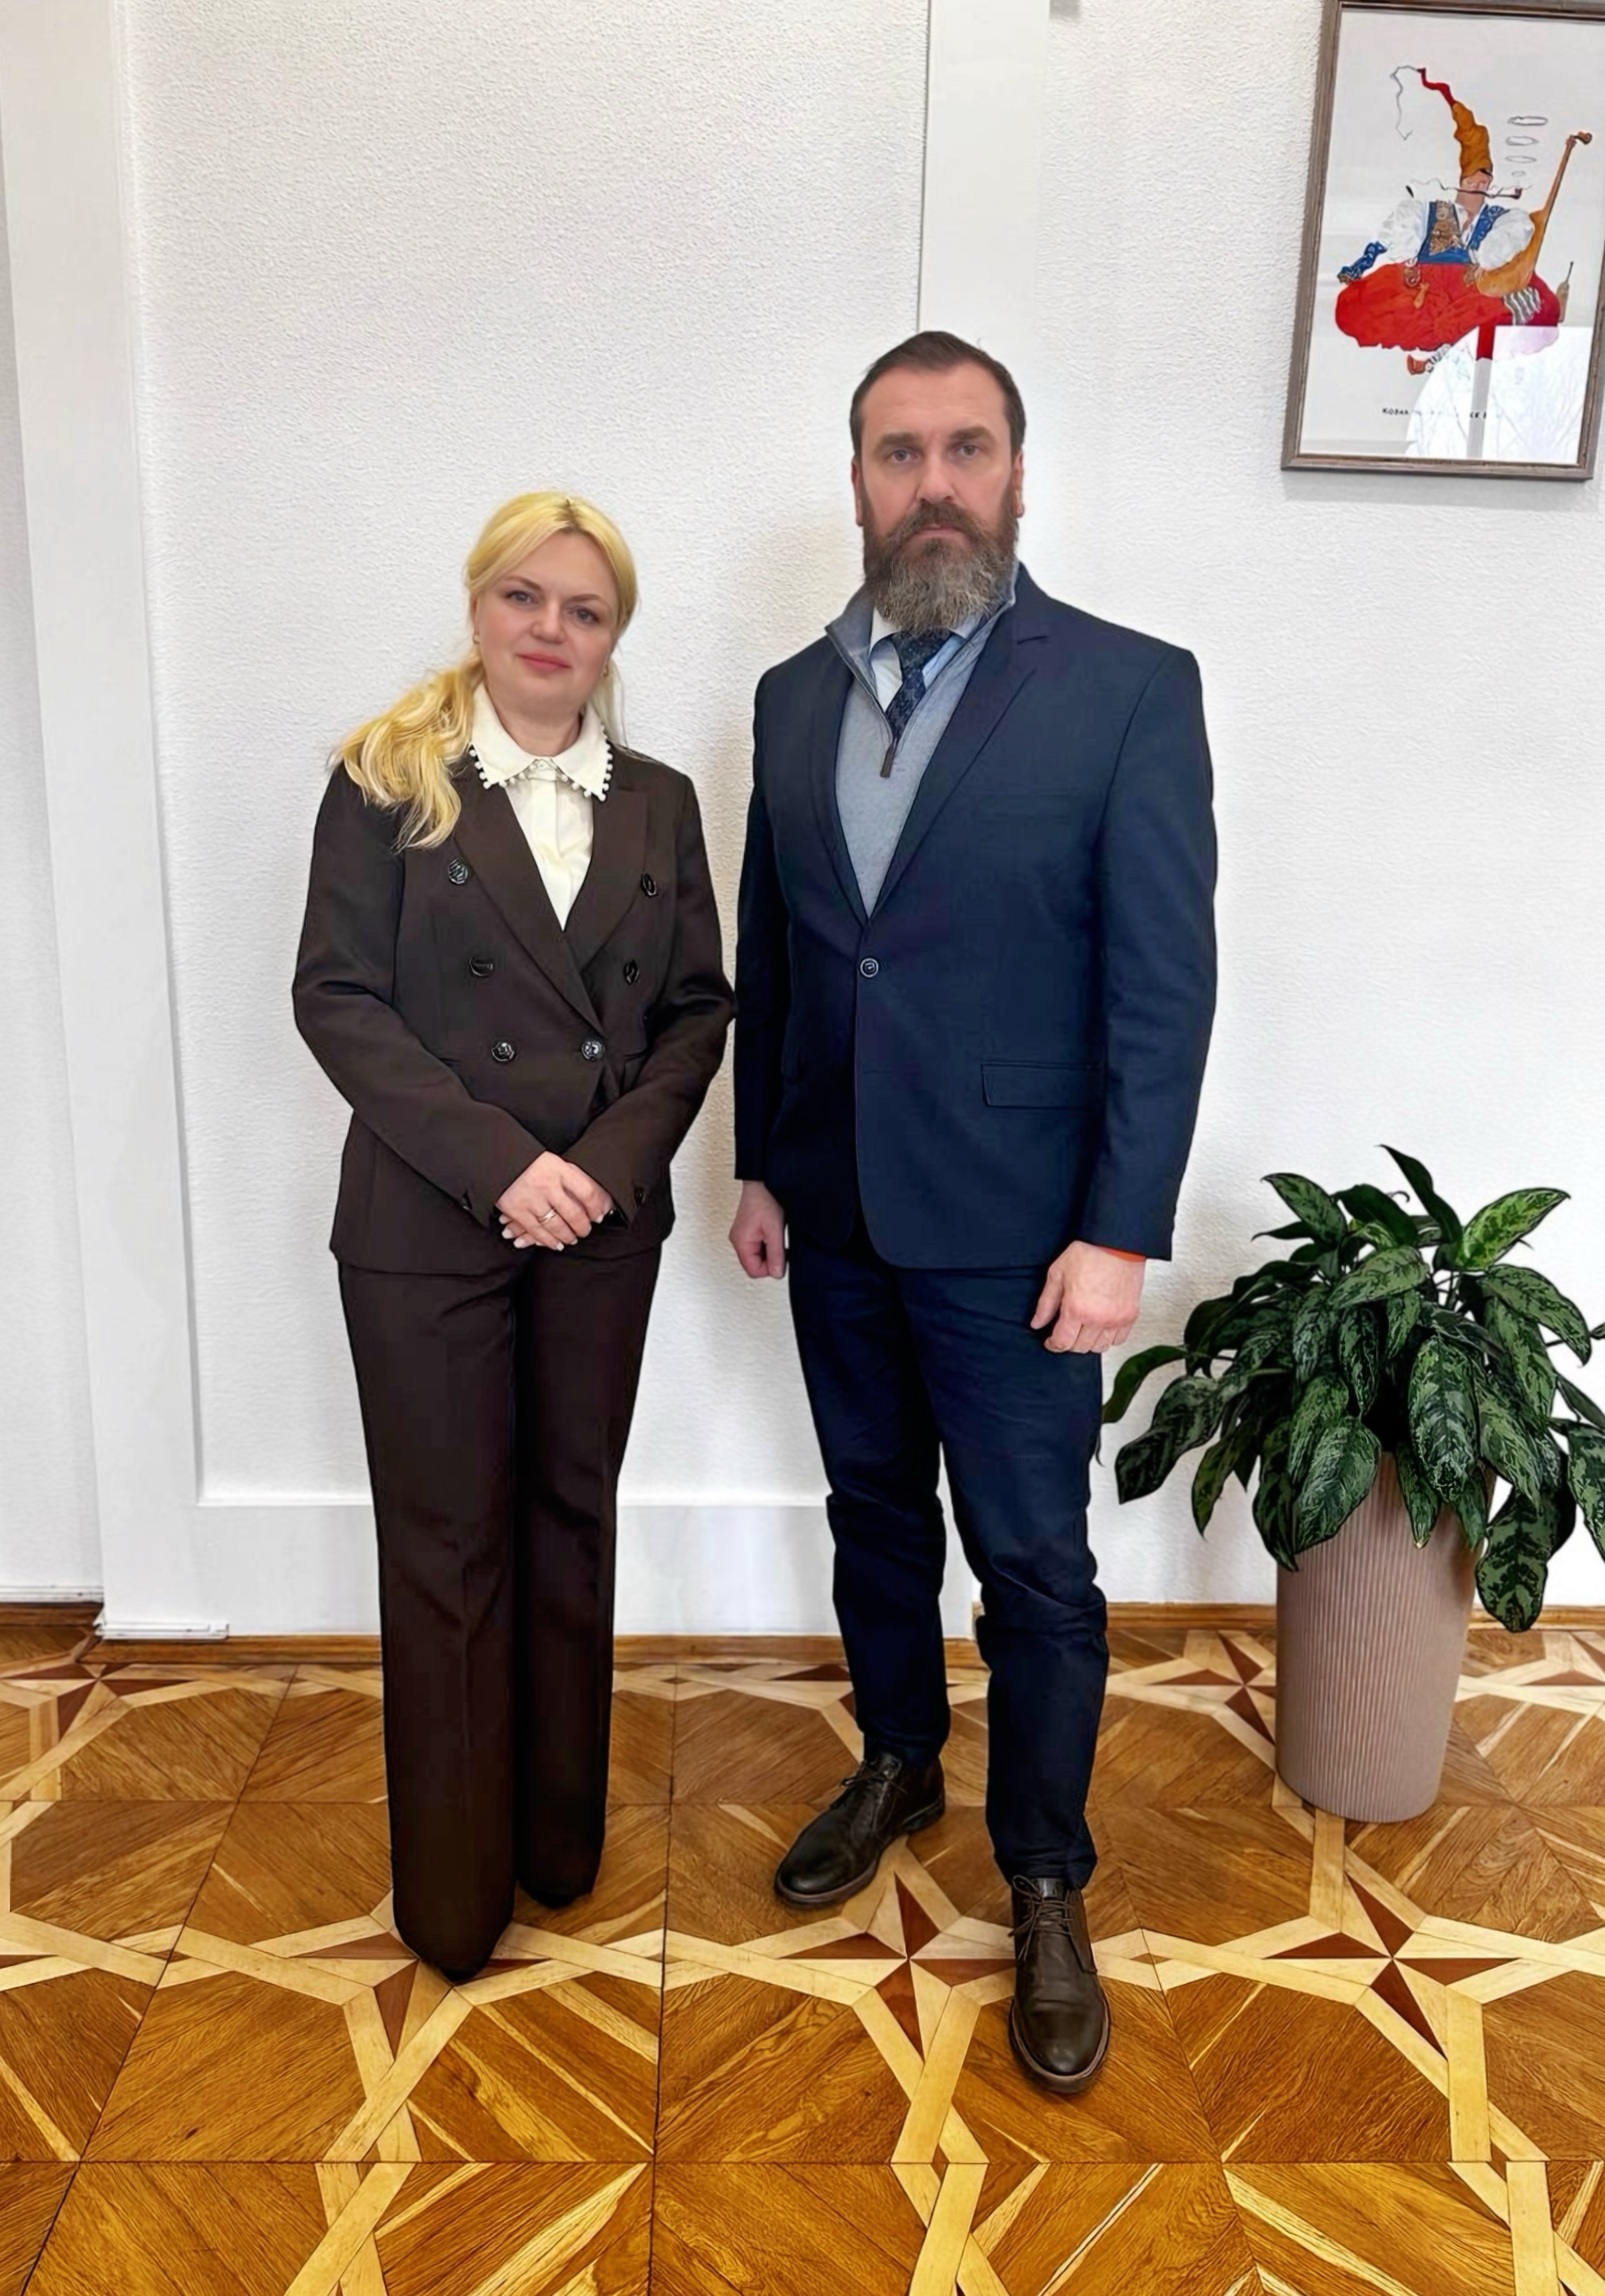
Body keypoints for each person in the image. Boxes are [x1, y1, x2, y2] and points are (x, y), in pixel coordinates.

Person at [729, 333, 1216, 2095]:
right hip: (835, 1208)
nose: (932, 482)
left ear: (1016, 471)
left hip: (1024, 1231)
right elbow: (779, 947)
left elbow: (1162, 983)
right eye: (898, 451)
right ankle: (898, 1760)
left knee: (1031, 1564)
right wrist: (759, 1158)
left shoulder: (1128, 688)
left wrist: (1122, 1227)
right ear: (858, 480)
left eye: (965, 448)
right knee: (872, 1515)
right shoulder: (789, 696)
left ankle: (1046, 1870)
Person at [295, 491, 732, 1980]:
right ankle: (455, 1892)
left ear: (614, 636)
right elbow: (337, 997)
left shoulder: (660, 800)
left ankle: (556, 1839)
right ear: (480, 606)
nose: (552, 629)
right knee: (446, 1546)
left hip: (599, 1221)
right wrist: (505, 1168)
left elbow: (696, 1011)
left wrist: (598, 1168)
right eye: (525, 598)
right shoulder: (386, 779)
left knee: (567, 1518)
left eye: (585, 609)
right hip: (426, 1222)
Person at [1336, 69, 1563, 374]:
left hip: (1475, 288)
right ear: (1460, 180)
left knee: (1509, 310)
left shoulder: (1501, 219)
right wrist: (1362, 264)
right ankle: (1441, 355)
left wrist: (1488, 263)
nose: (1478, 185)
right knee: (1358, 306)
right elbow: (1388, 238)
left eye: (1484, 180)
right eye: (1472, 179)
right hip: (1428, 288)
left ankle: (1438, 359)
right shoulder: (1431, 212)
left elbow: (1502, 252)